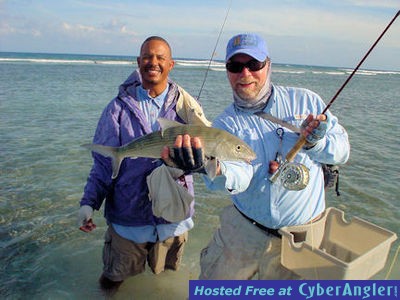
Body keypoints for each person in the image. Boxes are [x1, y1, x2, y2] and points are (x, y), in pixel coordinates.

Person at [162, 33, 350, 279]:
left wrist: (317, 142)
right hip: (243, 232)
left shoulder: (306, 100)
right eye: (235, 66)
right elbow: (239, 175)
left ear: (268, 65)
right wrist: (210, 167)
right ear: (227, 71)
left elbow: (342, 151)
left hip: (301, 240)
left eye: (254, 64)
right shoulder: (225, 124)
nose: (245, 74)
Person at [78, 36, 210, 294]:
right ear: (138, 62)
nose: (153, 62)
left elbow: (206, 161)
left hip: (174, 218)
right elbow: (103, 165)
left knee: (166, 284)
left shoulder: (187, 109)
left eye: (161, 57)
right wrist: (88, 203)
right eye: (147, 57)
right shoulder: (117, 108)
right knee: (111, 281)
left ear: (171, 64)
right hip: (128, 221)